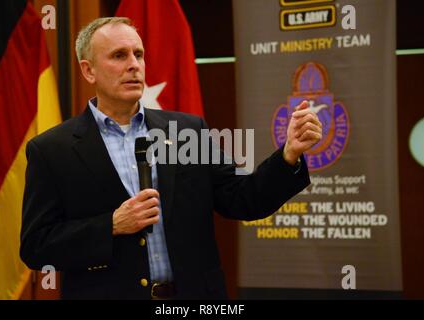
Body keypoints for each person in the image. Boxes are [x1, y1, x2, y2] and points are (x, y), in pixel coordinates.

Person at [20, 17, 322, 299]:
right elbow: (36, 247)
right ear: (88, 70)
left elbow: (243, 199)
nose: (134, 65)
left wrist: (289, 154)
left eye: (139, 55)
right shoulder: (52, 149)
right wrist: (110, 225)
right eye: (119, 56)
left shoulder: (186, 130)